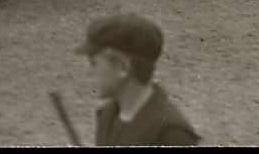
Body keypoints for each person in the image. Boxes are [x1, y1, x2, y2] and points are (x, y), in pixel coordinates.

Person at [74, 13, 200, 146]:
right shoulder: (108, 115)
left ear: (123, 66)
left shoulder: (171, 134)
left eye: (94, 63)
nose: (88, 72)